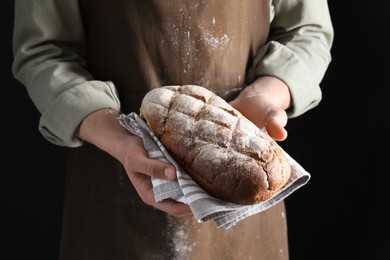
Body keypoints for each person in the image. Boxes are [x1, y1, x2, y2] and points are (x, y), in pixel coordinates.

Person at [12, 0, 333, 259]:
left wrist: (265, 95)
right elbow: (45, 51)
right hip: (114, 175)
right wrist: (119, 139)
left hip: (245, 171)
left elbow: (307, 32)